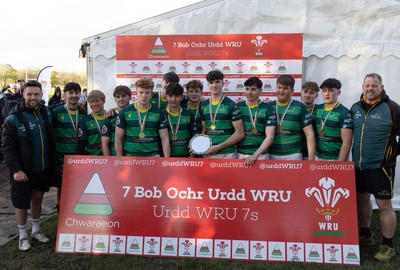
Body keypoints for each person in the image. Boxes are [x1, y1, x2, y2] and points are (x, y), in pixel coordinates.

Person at [1, 80, 57, 251]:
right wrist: (16, 169)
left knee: (38, 199)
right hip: (22, 171)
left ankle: (36, 230)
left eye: (36, 94)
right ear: (23, 94)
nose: (33, 97)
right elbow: (7, 147)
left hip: (42, 168)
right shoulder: (14, 118)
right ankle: (22, 236)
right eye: (29, 94)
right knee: (21, 203)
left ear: (41, 95)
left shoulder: (46, 112)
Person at [351, 73, 400, 262]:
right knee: (362, 199)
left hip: (381, 167)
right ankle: (366, 235)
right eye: (367, 85)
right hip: (359, 166)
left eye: (374, 85)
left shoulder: (392, 108)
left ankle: (388, 246)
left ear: (382, 87)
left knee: (384, 205)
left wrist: (392, 153)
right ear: (362, 87)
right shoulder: (355, 107)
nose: (370, 88)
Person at [52, 82, 86, 211]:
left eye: (77, 92)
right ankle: (59, 210)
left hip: (79, 157)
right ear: (64, 94)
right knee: (62, 185)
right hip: (62, 157)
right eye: (71, 92)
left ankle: (74, 210)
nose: (74, 95)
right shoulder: (56, 112)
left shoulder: (84, 111)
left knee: (77, 185)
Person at [115, 77, 170, 157]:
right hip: (131, 157)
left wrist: (167, 160)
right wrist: (119, 160)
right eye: (141, 92)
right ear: (136, 93)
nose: (144, 96)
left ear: (151, 94)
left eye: (147, 93)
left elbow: (165, 139)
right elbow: (118, 139)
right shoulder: (125, 112)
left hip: (153, 156)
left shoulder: (158, 113)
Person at [269, 75, 315, 160]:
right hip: (270, 155)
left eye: (285, 88)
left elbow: (309, 134)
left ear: (292, 91)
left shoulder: (300, 107)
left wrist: (311, 159)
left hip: (293, 155)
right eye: (279, 87)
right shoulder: (268, 106)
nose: (281, 91)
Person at [200, 70, 244, 158]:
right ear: (208, 85)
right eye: (211, 82)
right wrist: (198, 147)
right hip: (208, 152)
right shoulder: (203, 106)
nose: (214, 85)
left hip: (227, 154)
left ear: (223, 84)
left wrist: (219, 147)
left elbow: (240, 133)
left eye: (217, 82)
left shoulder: (231, 105)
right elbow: (203, 131)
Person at [236, 77, 276, 165]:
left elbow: (270, 137)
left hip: (261, 155)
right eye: (247, 89)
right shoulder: (238, 107)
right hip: (241, 154)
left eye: (253, 89)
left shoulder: (268, 108)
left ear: (260, 91)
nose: (249, 92)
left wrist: (254, 155)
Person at [314, 78, 353, 161]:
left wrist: (339, 164)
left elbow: (347, 142)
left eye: (331, 90)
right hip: (318, 157)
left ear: (339, 92)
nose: (327, 94)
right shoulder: (317, 108)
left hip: (335, 159)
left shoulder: (344, 112)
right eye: (324, 91)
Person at [161, 82, 195, 157]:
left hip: (186, 157)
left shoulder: (188, 114)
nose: (173, 99)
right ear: (166, 97)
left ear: (182, 97)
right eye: (170, 96)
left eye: (176, 96)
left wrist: (194, 151)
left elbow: (194, 134)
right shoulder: (161, 114)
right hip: (166, 158)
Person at [101, 85, 131, 156]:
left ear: (130, 97)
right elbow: (104, 142)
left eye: (123, 96)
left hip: (132, 155)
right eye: (118, 97)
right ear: (114, 99)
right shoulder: (109, 116)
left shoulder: (135, 113)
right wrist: (108, 160)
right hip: (115, 157)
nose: (121, 99)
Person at [78, 90, 106, 155]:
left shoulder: (111, 118)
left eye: (97, 101)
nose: (94, 104)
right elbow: (81, 145)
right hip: (92, 160)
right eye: (91, 102)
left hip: (109, 159)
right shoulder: (85, 121)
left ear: (104, 101)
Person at [301, 81, 319, 159]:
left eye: (311, 93)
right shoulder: (295, 108)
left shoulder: (320, 110)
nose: (307, 95)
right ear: (301, 93)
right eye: (305, 92)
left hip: (315, 153)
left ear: (316, 95)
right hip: (297, 151)